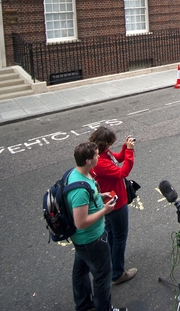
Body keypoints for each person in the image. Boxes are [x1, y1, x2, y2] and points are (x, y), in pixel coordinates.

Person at [67, 142, 123, 311]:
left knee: (80, 271)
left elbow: (89, 196)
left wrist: (100, 195)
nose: (99, 157)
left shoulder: (76, 174)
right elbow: (81, 222)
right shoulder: (80, 192)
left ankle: (84, 305)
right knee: (102, 277)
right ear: (88, 161)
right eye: (96, 155)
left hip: (82, 240)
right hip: (92, 240)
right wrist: (105, 210)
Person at [89, 127, 137, 286]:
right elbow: (123, 172)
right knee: (120, 237)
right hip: (116, 204)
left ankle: (109, 263)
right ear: (104, 144)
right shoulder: (100, 163)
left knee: (110, 235)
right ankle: (117, 273)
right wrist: (130, 153)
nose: (111, 147)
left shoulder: (102, 154)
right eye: (110, 143)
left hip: (109, 202)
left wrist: (125, 148)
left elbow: (118, 157)